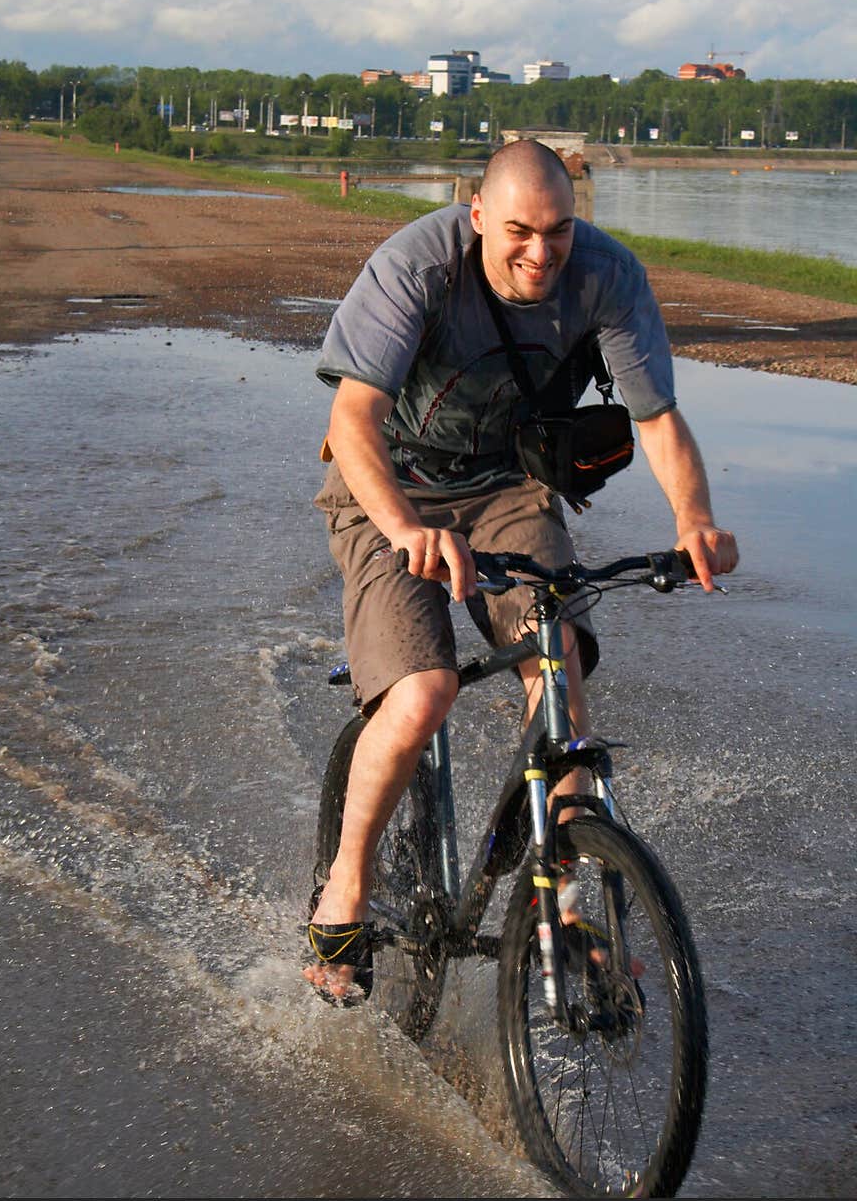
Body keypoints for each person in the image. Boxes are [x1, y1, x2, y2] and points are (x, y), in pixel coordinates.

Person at [304, 139, 738, 1001]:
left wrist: (695, 520)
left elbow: (656, 419)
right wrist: (404, 529)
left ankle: (570, 893)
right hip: (389, 484)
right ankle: (342, 890)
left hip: (507, 486)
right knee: (424, 692)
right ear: (476, 216)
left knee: (559, 666)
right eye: (518, 232)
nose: (540, 253)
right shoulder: (417, 268)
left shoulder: (607, 276)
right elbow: (352, 417)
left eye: (558, 232)